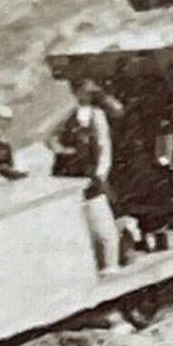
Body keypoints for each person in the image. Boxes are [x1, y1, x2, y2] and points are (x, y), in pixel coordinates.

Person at [51, 81, 119, 269]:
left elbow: (103, 147)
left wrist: (100, 174)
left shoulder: (96, 116)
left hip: (91, 178)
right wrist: (64, 150)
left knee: (103, 229)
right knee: (86, 229)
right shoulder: (69, 119)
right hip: (75, 179)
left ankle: (110, 266)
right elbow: (53, 139)